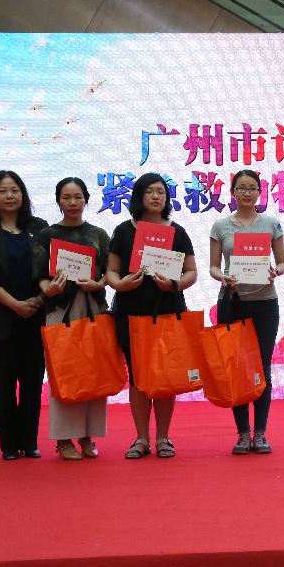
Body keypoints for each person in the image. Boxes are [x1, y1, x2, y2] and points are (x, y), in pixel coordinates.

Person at [106, 173, 198, 459]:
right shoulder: (124, 231)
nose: (156, 196)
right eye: (149, 191)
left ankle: (163, 437)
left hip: (168, 311)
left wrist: (173, 284)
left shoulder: (177, 232)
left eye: (161, 192)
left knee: (166, 375)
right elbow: (111, 272)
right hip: (131, 313)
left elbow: (191, 273)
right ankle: (141, 438)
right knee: (138, 377)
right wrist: (121, 284)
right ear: (139, 196)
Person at [0, 170, 47, 460]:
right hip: (0, 320)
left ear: (23, 195)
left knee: (32, 385)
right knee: (4, 386)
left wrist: (39, 299)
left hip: (36, 317)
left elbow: (52, 268)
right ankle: (8, 445)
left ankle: (29, 442)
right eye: (2, 191)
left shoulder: (39, 228)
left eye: (15, 190)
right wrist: (15, 304)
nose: (9, 196)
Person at [209, 170, 284, 455]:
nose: (246, 193)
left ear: (259, 193)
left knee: (262, 366)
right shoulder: (221, 226)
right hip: (233, 302)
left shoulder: (271, 224)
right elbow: (213, 266)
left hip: (265, 303)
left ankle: (261, 433)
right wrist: (222, 276)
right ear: (232, 193)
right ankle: (243, 433)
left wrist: (275, 271)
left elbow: (282, 263)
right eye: (241, 188)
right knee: (237, 368)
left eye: (252, 188)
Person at [35, 177, 111, 460]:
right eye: (66, 197)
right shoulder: (46, 235)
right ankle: (64, 439)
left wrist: (99, 283)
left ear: (86, 199)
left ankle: (87, 436)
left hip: (93, 308)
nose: (72, 203)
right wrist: (49, 289)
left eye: (78, 197)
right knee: (64, 373)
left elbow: (110, 271)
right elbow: (39, 275)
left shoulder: (99, 234)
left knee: (94, 372)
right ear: (58, 201)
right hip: (60, 310)